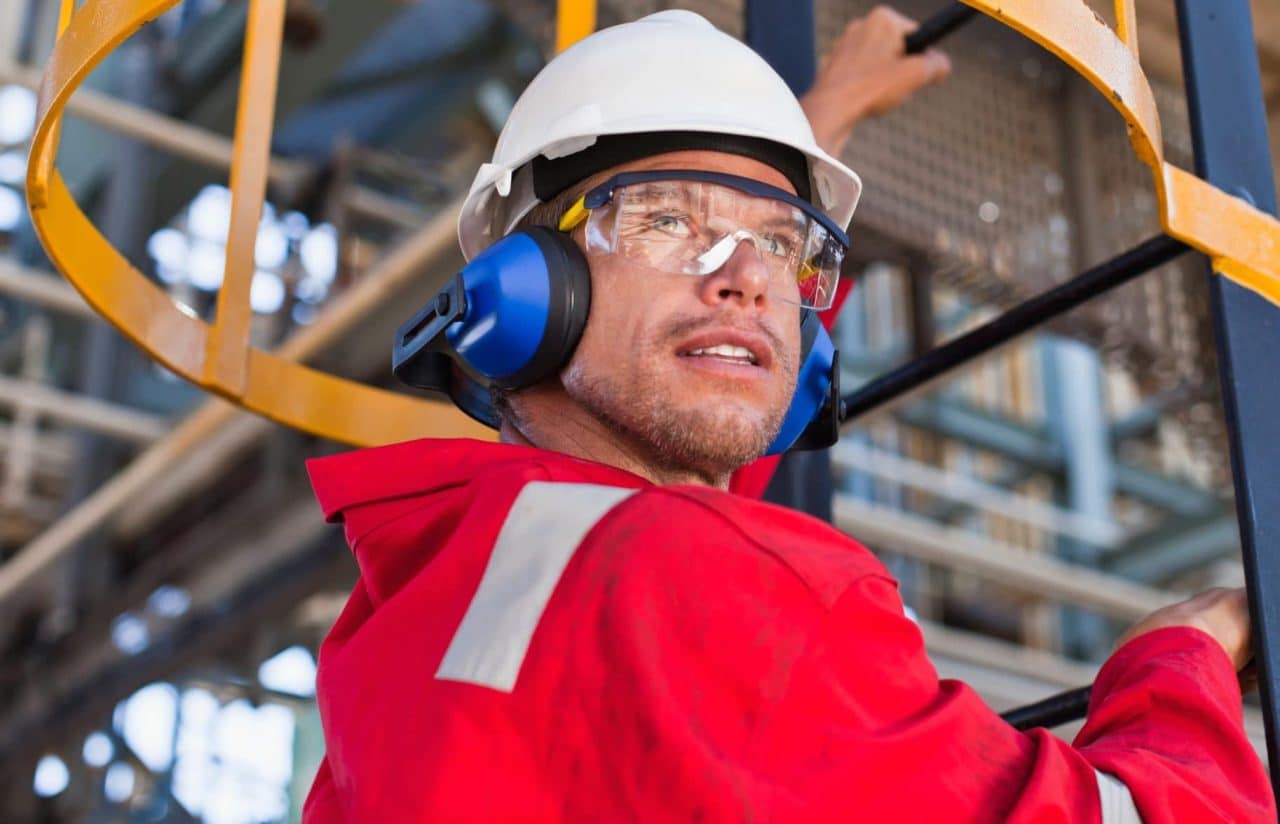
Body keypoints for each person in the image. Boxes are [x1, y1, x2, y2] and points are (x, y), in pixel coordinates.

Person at [301, 7, 1273, 822]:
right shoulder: (712, 581)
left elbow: (658, 520)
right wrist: (1176, 662)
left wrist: (821, 120)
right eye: (666, 220)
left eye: (781, 245)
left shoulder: (416, 606)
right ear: (525, 291)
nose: (751, 284)